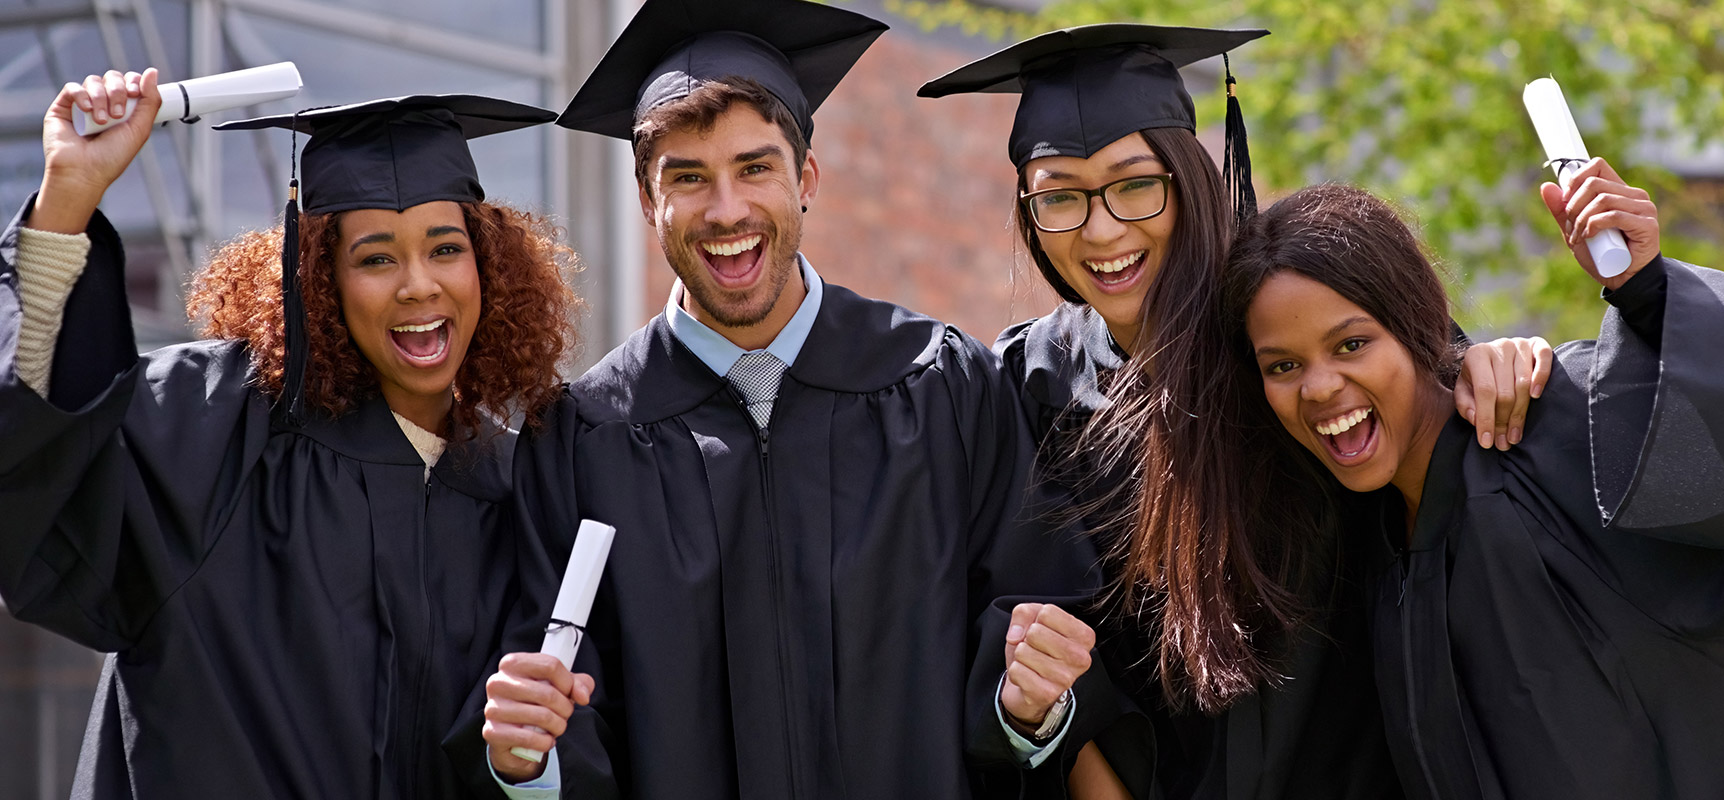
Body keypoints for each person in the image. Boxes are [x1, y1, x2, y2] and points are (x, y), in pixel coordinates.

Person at [481, 0, 1102, 796]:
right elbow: (556, 706)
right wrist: (526, 762)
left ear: (805, 178)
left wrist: (1029, 708)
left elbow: (1032, 629)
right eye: (689, 178)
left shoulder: (944, 386)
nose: (728, 210)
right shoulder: (580, 439)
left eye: (754, 168)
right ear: (647, 200)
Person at [922, 23, 1554, 799]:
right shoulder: (1026, 384)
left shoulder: (1287, 320)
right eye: (1060, 197)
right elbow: (1028, 627)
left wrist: (1492, 363)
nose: (1102, 229)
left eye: (1134, 184)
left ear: (1187, 177)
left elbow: (1430, 423)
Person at [0, 72, 591, 798]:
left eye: (446, 248)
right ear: (320, 281)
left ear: (489, 267)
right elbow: (35, 468)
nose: (417, 285)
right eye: (375, 257)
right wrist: (68, 198)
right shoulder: (215, 431)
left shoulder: (514, 489)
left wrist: (522, 768)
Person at [1187, 165, 1724, 798]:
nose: (1317, 387)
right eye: (1283, 365)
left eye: (1351, 345)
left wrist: (1648, 294)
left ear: (1416, 325)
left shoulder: (1563, 426)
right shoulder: (1360, 542)